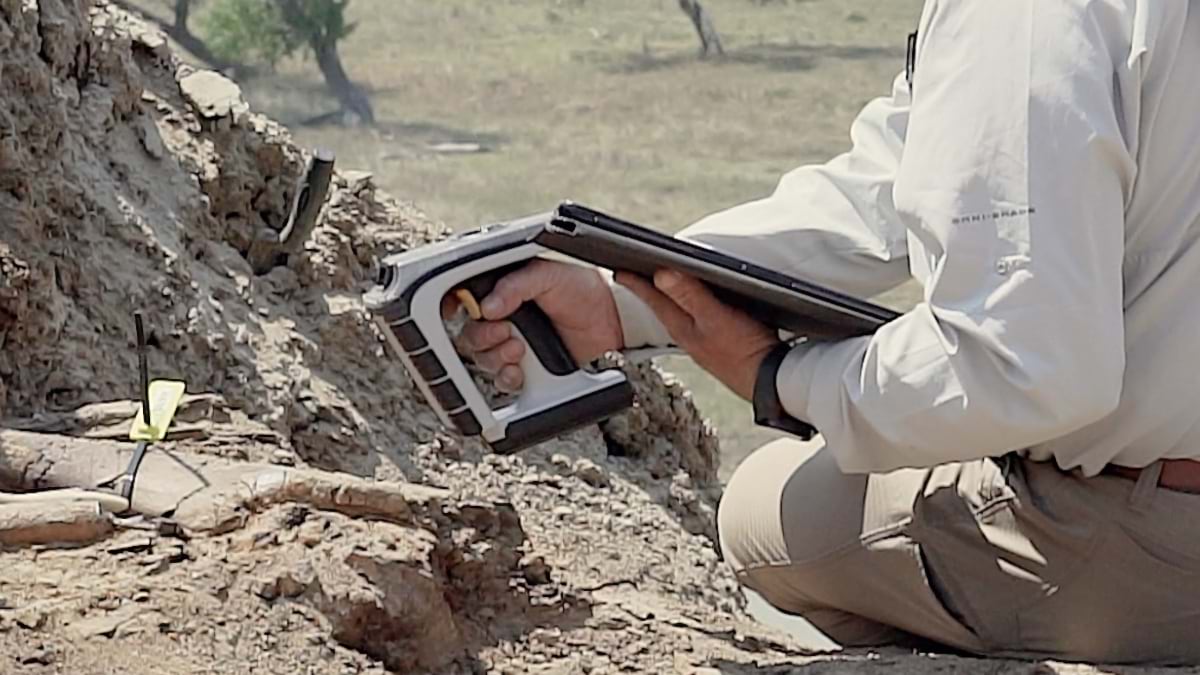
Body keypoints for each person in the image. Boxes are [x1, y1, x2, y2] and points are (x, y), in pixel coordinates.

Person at [452, 0, 1200, 664]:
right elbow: (886, 188)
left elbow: (1024, 367)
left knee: (765, 513)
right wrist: (630, 298)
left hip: (1159, 541)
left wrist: (780, 377)